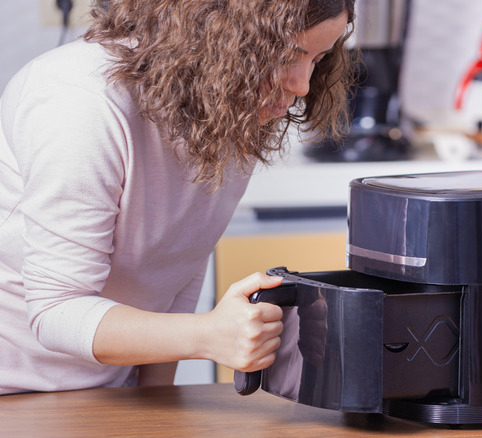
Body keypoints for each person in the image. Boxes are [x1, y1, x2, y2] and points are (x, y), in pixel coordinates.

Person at [0, 0, 356, 395]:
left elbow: (176, 271)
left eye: (317, 59)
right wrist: (208, 335)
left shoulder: (227, 108)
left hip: (112, 394)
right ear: (216, 30)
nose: (302, 85)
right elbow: (55, 311)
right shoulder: (80, 100)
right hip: (14, 394)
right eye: (286, 55)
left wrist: (156, 400)